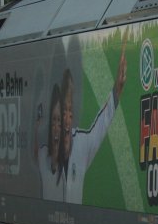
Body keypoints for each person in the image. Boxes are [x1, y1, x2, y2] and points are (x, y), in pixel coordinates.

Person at [57, 39, 127, 203]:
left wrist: (118, 86)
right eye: (62, 111)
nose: (66, 118)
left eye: (69, 110)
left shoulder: (81, 143)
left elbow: (103, 121)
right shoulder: (47, 153)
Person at [33, 84, 65, 201]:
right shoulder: (43, 155)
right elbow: (36, 152)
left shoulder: (69, 160)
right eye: (53, 121)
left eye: (59, 121)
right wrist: (37, 126)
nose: (56, 127)